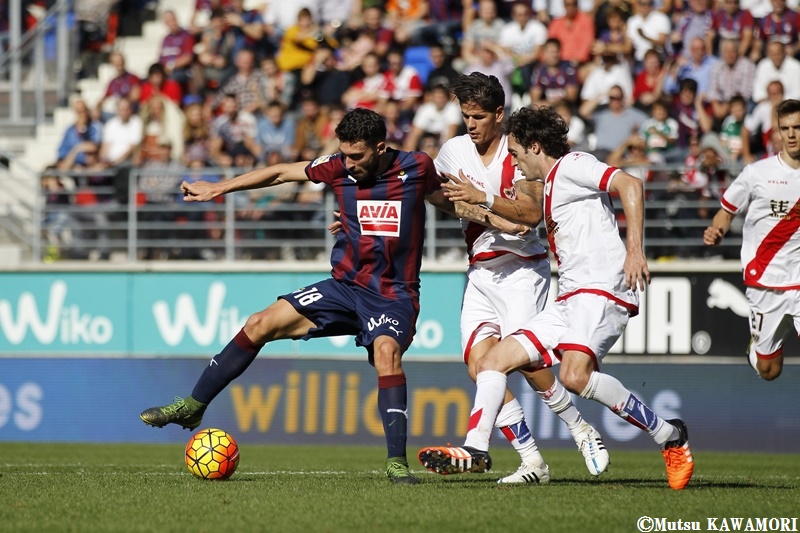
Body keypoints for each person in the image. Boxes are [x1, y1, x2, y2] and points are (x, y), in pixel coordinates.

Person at [140, 108, 527, 485]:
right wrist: (219, 188)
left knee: (387, 353)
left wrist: (501, 221)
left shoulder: (417, 167)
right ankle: (193, 406)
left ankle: (396, 463)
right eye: (343, 153)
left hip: (393, 295)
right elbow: (280, 172)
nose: (349, 163)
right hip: (343, 288)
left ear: (379, 148)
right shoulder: (338, 167)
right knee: (259, 322)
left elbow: (446, 202)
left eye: (356, 156)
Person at [418, 105, 695, 491]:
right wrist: (473, 205)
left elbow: (630, 184)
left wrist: (635, 249)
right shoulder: (548, 188)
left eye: (515, 153)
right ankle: (475, 448)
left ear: (534, 146)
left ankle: (669, 435)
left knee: (574, 376)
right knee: (490, 363)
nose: (513, 162)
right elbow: (514, 222)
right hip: (568, 298)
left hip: (602, 289)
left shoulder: (574, 164)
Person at [433, 73, 610, 483]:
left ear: (499, 114)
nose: (470, 124)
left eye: (478, 116)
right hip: (479, 272)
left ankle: (578, 427)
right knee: (480, 367)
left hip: (521, 271)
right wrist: (483, 215)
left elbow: (530, 213)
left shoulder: (519, 152)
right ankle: (532, 461)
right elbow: (437, 196)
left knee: (527, 364)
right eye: (465, 116)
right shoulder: (452, 151)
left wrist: (485, 202)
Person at [703, 99, 800, 381]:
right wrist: (717, 231)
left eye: (798, 127)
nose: (792, 134)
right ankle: (758, 352)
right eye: (786, 128)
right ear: (778, 133)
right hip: (765, 280)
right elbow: (726, 212)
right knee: (769, 371)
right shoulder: (757, 173)